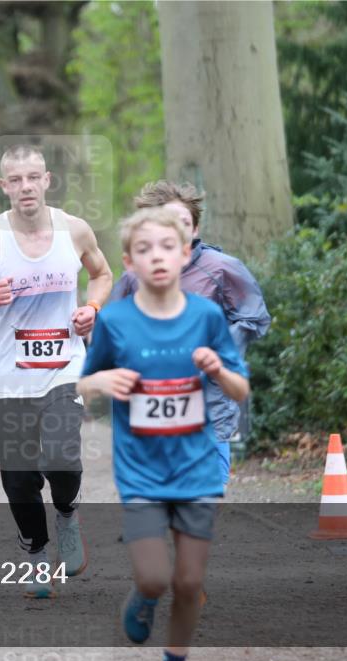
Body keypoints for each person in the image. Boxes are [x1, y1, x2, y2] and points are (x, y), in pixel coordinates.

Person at [79, 207, 250, 661]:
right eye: (144, 249)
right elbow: (85, 384)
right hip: (142, 471)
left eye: (167, 247)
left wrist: (218, 370)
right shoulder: (115, 320)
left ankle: (174, 660)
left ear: (185, 254)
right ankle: (145, 595)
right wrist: (103, 380)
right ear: (128, 262)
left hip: (197, 466)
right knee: (155, 577)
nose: (157, 256)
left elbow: (240, 388)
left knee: (190, 583)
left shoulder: (207, 316)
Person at [0, 144, 112, 598]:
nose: (25, 186)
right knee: (19, 478)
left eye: (33, 177)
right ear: (4, 186)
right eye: (16, 179)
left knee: (62, 457)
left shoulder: (74, 229)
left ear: (47, 180)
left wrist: (92, 308)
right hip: (11, 375)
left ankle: (66, 513)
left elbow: (102, 274)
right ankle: (37, 555)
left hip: (64, 367)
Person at [109, 181, 270, 484]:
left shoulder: (222, 268)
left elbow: (254, 317)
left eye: (183, 222)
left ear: (195, 229)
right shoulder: (136, 273)